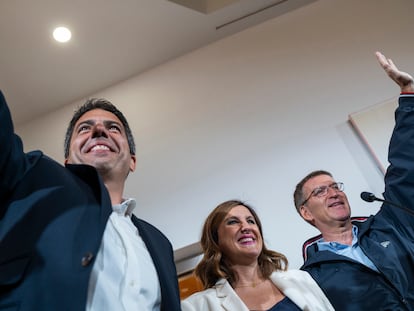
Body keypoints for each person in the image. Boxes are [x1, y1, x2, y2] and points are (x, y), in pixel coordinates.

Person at [0, 94, 181, 310]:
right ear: (67, 161)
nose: (99, 130)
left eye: (113, 128)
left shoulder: (160, 243)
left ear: (132, 161)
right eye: (84, 128)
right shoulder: (36, 178)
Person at [293, 52, 414, 310]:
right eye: (320, 192)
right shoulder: (310, 277)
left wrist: (408, 97)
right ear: (305, 211)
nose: (334, 193)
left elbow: (404, 168)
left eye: (336, 186)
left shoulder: (390, 225)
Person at [181, 200, 334, 311]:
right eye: (233, 222)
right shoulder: (197, 306)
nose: (246, 227)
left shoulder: (301, 279)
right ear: (216, 240)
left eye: (251, 221)